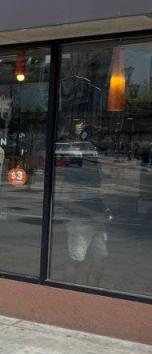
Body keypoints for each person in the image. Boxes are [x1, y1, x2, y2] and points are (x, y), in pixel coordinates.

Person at [56, 119, 112, 286]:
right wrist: (92, 214)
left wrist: (104, 209)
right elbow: (65, 199)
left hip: (96, 220)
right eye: (97, 141)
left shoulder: (94, 166)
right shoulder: (76, 167)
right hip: (80, 222)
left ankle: (92, 289)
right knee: (76, 259)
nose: (100, 145)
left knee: (100, 258)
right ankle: (68, 291)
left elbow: (95, 193)